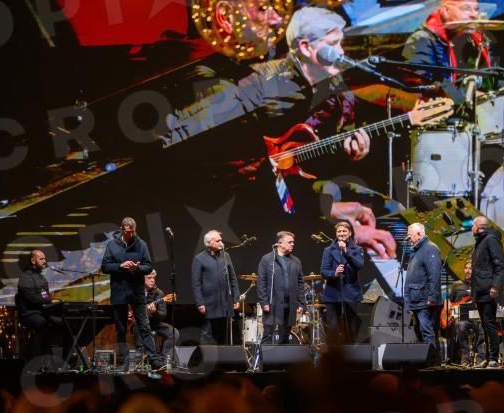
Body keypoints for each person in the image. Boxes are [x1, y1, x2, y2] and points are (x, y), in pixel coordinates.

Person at [160, 6, 397, 259]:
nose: (276, 19)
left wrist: (349, 156)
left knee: (386, 206)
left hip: (288, 192)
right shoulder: (249, 87)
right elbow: (240, 184)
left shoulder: (328, 86)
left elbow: (291, 163)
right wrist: (328, 218)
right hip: (246, 219)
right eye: (263, 8)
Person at [402, 0, 496, 108]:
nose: (474, 15)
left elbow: (489, 76)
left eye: (476, 9)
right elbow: (424, 86)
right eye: (466, 9)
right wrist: (465, 97)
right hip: (439, 113)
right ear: (446, 11)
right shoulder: (421, 39)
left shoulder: (469, 39)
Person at [101, 217, 163, 371]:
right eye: (128, 232)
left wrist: (138, 268)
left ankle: (154, 360)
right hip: (119, 292)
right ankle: (124, 361)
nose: (130, 235)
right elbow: (105, 266)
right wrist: (120, 266)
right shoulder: (112, 245)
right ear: (122, 229)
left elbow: (148, 266)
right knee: (121, 328)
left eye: (133, 232)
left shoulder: (141, 244)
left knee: (144, 326)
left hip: (136, 292)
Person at [15, 250, 73, 370]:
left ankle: (64, 363)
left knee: (67, 325)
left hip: (42, 312)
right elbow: (31, 298)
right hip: (29, 313)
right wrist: (50, 301)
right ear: (33, 260)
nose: (44, 261)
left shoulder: (41, 277)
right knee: (43, 324)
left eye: (45, 259)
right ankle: (44, 363)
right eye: (41, 259)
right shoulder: (25, 277)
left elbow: (44, 296)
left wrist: (52, 302)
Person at [191, 230, 241, 344]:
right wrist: (200, 302)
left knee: (223, 333)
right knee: (208, 333)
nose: (221, 243)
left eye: (221, 240)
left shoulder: (225, 256)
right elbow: (196, 283)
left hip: (225, 302)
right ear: (209, 243)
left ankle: (222, 354)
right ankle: (206, 354)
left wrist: (236, 298)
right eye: (218, 241)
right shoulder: (199, 258)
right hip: (209, 303)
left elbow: (233, 278)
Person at [470, 215, 504, 367]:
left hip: (488, 290)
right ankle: (487, 357)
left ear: (478, 227)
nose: (471, 228)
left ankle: (493, 358)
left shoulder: (491, 239)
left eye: (473, 225)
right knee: (485, 325)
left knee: (490, 324)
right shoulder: (480, 241)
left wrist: (495, 286)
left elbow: (500, 264)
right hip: (480, 290)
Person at [320, 221, 365, 344]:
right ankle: (334, 354)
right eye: (339, 231)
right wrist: (334, 274)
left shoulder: (357, 249)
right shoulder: (328, 250)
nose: (341, 233)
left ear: (349, 233)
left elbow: (359, 265)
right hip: (333, 294)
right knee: (333, 328)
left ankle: (351, 353)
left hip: (351, 294)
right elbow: (324, 271)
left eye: (344, 231)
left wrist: (346, 252)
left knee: (351, 329)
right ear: (336, 234)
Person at [257, 231, 305, 343]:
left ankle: (283, 354)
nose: (293, 244)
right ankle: (265, 355)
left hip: (290, 304)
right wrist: (264, 302)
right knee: (268, 335)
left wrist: (301, 303)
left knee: (285, 337)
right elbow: (261, 282)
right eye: (290, 242)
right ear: (280, 243)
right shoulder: (267, 259)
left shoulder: (296, 261)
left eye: (293, 242)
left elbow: (300, 283)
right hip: (272, 304)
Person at [404, 223, 442, 353]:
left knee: (427, 331)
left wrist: (432, 297)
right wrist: (408, 302)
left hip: (425, 301)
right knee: (419, 331)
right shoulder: (416, 250)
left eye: (410, 235)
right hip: (417, 300)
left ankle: (432, 361)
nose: (408, 238)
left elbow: (435, 275)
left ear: (419, 234)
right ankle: (429, 359)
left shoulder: (430, 248)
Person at [132, 270, 181, 363]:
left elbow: (163, 314)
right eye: (149, 278)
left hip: (154, 323)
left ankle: (163, 360)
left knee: (174, 333)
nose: (152, 280)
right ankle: (139, 358)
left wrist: (155, 312)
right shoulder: (135, 292)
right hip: (139, 324)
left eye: (153, 278)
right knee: (137, 324)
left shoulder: (159, 293)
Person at [447, 260, 484, 365]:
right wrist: (448, 305)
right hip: (463, 318)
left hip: (477, 317)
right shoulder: (456, 285)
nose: (468, 270)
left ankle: (481, 358)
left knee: (483, 326)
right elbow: (449, 301)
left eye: (471, 268)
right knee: (460, 325)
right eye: (466, 268)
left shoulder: (480, 285)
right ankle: (465, 356)